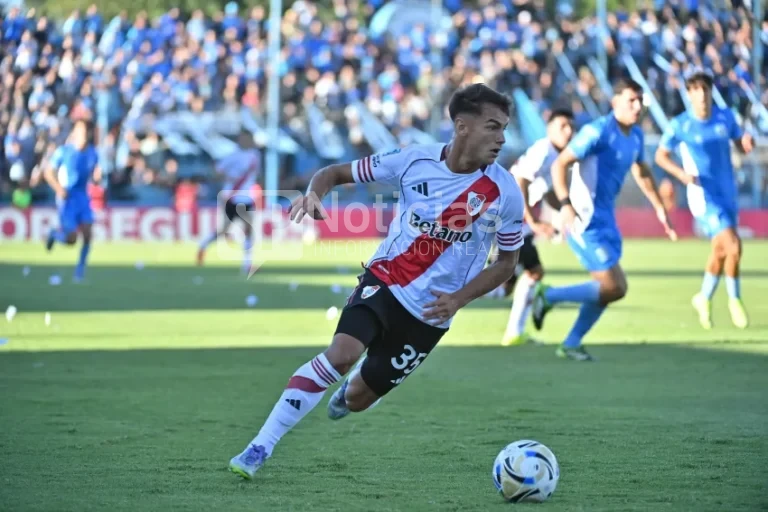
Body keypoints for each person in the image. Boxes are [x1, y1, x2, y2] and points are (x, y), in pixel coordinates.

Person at [228, 83, 526, 479]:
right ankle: (259, 447)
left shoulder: (504, 192)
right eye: (493, 127)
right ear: (462, 126)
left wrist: (458, 299)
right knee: (341, 354)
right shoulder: (412, 161)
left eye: (504, 128)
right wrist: (315, 194)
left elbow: (506, 263)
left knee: (357, 399)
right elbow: (333, 173)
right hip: (385, 279)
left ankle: (350, 390)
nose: (502, 138)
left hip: (432, 312)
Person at [530, 79, 677, 361]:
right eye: (631, 100)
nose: (638, 106)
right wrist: (566, 205)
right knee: (615, 286)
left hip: (606, 220)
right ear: (615, 102)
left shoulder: (635, 136)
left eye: (640, 100)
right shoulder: (597, 131)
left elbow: (642, 171)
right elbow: (561, 163)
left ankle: (571, 342)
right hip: (583, 221)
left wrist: (659, 206)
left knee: (609, 289)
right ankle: (550, 297)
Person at [654, 68, 754, 329]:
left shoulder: (725, 117)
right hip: (703, 195)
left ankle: (703, 297)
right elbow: (660, 156)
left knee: (720, 251)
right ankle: (735, 300)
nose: (702, 96)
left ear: (711, 92)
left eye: (705, 90)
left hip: (727, 192)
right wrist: (680, 174)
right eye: (696, 91)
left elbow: (739, 144)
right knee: (734, 246)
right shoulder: (681, 125)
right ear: (689, 94)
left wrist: (746, 143)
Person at [496, 108, 575, 346]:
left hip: (516, 219)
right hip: (510, 216)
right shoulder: (544, 150)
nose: (568, 132)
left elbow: (547, 191)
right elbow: (521, 179)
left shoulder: (558, 156)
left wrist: (567, 209)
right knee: (532, 272)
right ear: (550, 128)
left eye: (571, 127)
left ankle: (514, 332)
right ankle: (513, 332)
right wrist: (532, 221)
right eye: (562, 126)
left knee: (513, 279)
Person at [197, 132, 261, 275]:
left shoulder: (255, 155)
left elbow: (254, 175)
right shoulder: (233, 156)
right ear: (240, 140)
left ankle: (247, 265)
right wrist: (229, 178)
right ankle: (204, 244)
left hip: (247, 198)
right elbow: (217, 171)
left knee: (249, 230)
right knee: (224, 230)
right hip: (233, 197)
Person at [44, 120, 100, 282]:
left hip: (83, 196)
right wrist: (59, 189)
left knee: (88, 234)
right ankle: (55, 234)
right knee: (71, 239)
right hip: (67, 197)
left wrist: (97, 178)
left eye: (86, 130)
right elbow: (48, 172)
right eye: (80, 130)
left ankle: (80, 269)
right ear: (75, 133)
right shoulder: (64, 151)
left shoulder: (93, 153)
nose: (84, 134)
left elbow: (94, 173)